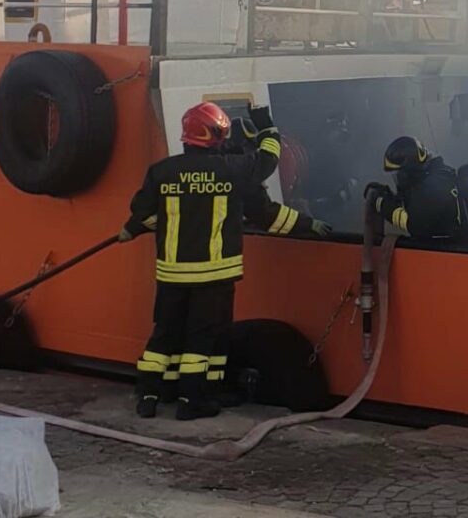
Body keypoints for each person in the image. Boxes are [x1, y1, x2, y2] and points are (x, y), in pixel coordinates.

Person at [119, 102, 331, 420]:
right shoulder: (232, 170)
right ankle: (193, 401)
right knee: (203, 338)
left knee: (165, 332)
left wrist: (160, 224)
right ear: (216, 135)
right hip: (214, 275)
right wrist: (268, 128)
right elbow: (267, 183)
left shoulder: (162, 171)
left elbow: (143, 214)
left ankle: (152, 395)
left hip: (172, 274)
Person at [364, 136, 468, 243]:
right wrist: (389, 196)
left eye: (399, 174)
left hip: (452, 254)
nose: (397, 179)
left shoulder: (435, 186)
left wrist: (380, 203)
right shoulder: (431, 180)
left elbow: (413, 224)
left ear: (410, 172)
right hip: (446, 253)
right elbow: (415, 206)